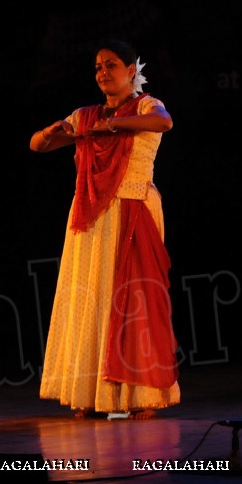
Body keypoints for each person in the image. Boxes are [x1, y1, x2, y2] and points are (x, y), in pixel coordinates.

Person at [31, 41, 180, 418]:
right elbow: (37, 145)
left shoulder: (146, 105)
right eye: (98, 66)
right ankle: (89, 393)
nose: (102, 72)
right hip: (90, 217)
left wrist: (113, 124)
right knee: (89, 301)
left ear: (131, 70)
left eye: (111, 65)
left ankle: (142, 396)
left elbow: (164, 122)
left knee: (136, 302)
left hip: (133, 210)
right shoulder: (85, 115)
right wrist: (52, 131)